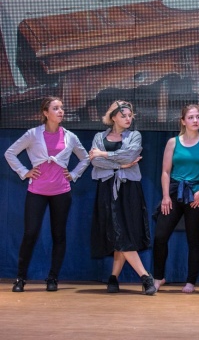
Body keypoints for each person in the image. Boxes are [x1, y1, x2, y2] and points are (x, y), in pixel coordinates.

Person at [5, 97, 89, 292]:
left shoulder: (70, 136)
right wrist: (24, 171)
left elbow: (85, 158)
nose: (60, 111)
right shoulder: (33, 134)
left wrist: (74, 174)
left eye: (61, 108)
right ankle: (20, 278)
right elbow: (10, 153)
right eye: (55, 108)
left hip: (61, 192)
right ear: (45, 113)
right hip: (37, 191)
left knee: (58, 235)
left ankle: (53, 278)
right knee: (30, 233)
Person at [89, 101, 155, 295]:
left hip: (129, 187)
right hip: (106, 188)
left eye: (130, 115)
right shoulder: (99, 137)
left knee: (124, 232)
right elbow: (95, 161)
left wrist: (105, 154)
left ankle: (114, 277)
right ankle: (145, 277)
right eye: (123, 115)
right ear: (113, 117)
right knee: (117, 231)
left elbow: (129, 156)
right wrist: (119, 165)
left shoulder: (135, 135)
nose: (128, 118)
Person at [153, 105, 199, 293]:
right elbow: (165, 171)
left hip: (197, 195)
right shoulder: (173, 142)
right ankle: (158, 277)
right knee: (160, 236)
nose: (195, 120)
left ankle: (191, 281)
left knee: (193, 238)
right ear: (183, 121)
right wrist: (165, 196)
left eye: (198, 117)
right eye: (191, 117)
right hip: (175, 192)